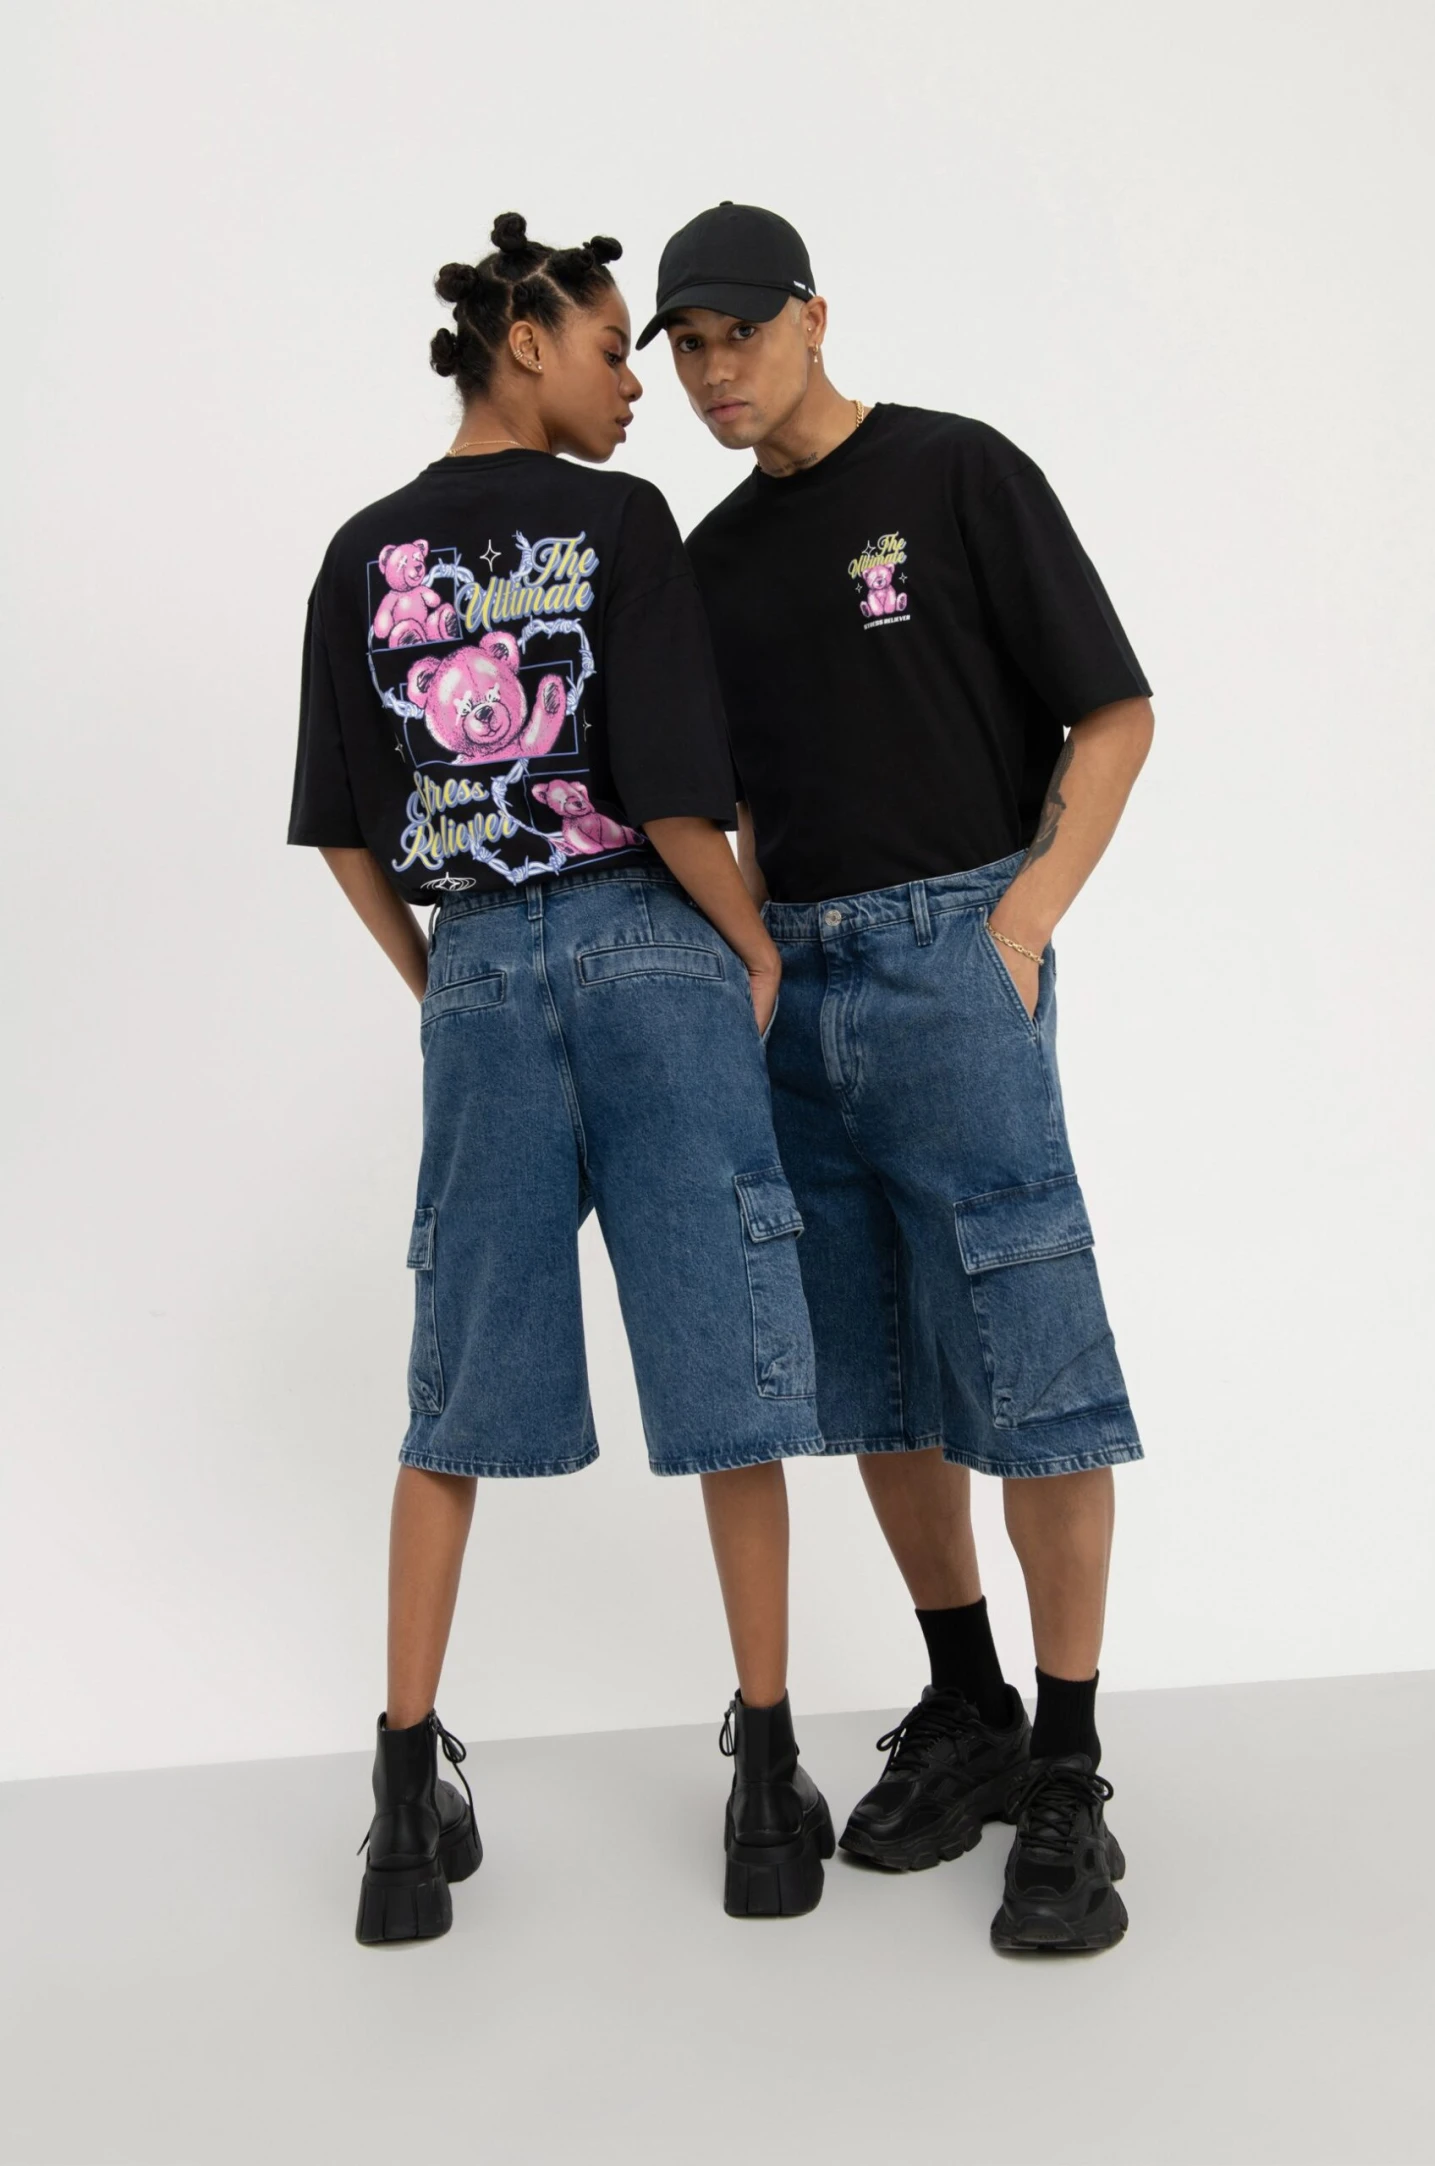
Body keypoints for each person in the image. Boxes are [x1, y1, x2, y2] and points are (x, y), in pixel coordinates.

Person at [289, 212, 834, 1943]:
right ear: (524, 343)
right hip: (652, 946)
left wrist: (443, 977)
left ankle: (401, 1803)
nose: (640, 387)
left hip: (477, 970)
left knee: (452, 1384)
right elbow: (671, 792)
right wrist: (749, 944)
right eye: (614, 351)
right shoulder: (622, 523)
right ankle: (768, 1783)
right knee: (732, 1359)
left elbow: (342, 827)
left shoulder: (362, 552)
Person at [640, 202, 1155, 1954]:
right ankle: (969, 1700)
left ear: (812, 315)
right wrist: (754, 955)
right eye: (686, 347)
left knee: (1030, 1348)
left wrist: (1023, 919)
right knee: (870, 1362)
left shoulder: (955, 474)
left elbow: (1114, 710)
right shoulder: (710, 564)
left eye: (738, 332)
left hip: (955, 955)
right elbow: (725, 798)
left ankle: (1070, 1766)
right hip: (796, 979)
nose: (714, 370)